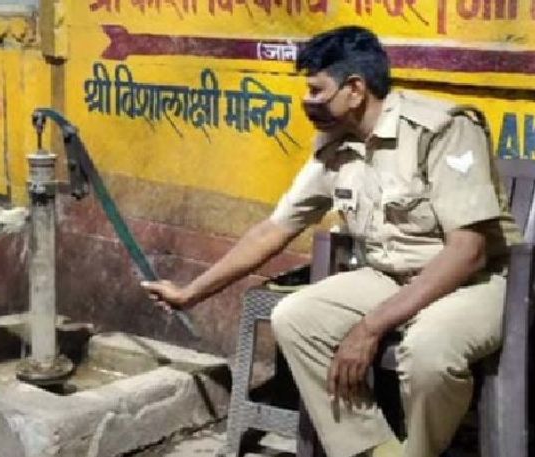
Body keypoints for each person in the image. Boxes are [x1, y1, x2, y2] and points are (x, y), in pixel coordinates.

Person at [141, 25, 521, 457]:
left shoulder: (440, 129)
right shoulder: (338, 148)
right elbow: (273, 230)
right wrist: (191, 293)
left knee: (429, 351)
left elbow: (467, 252)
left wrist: (370, 327)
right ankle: (374, 450)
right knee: (296, 318)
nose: (306, 101)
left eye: (317, 90)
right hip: (392, 275)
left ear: (355, 89)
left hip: (473, 282)